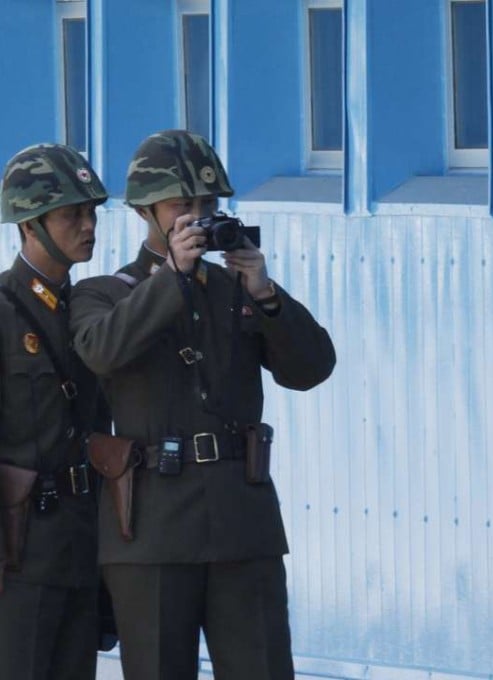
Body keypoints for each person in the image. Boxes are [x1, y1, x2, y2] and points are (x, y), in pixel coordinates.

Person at [70, 129, 336, 680]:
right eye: (181, 205)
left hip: (243, 520)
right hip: (151, 529)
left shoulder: (236, 287)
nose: (197, 217)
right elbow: (101, 351)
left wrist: (265, 294)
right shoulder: (107, 292)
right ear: (147, 211)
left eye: (208, 205)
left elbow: (311, 368)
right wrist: (172, 276)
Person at [0, 143, 108, 679]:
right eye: (72, 215)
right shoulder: (3, 312)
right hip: (19, 557)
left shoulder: (92, 311)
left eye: (91, 213)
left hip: (82, 543)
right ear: (29, 225)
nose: (88, 226)